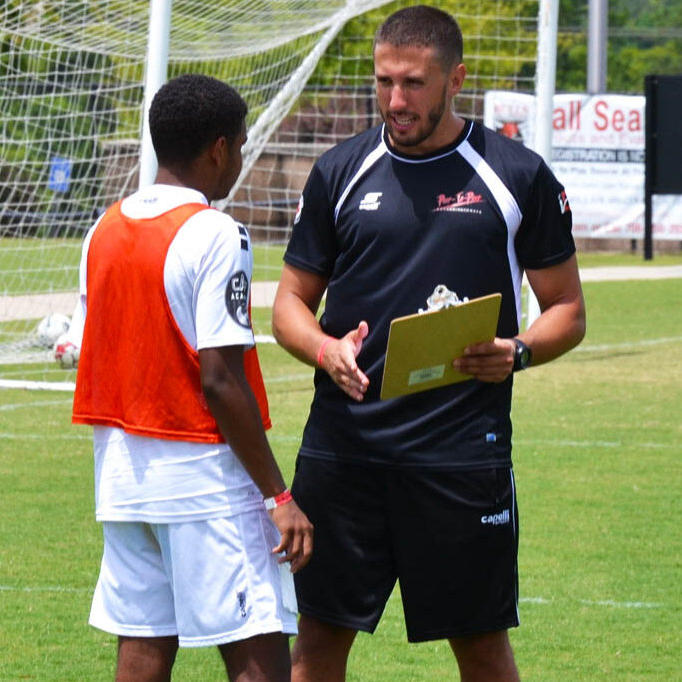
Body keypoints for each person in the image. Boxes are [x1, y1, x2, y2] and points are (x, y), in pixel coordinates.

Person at [271, 6, 586, 682]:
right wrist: (324, 350)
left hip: (457, 458)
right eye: (383, 81)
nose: (394, 100)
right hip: (343, 452)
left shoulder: (515, 174)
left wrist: (519, 351)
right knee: (317, 643)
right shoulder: (339, 171)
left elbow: (566, 309)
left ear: (455, 80)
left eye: (413, 83)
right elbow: (289, 305)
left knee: (479, 647)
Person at [72, 73, 313, 682]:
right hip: (201, 475)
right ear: (219, 149)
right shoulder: (215, 233)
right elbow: (220, 380)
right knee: (257, 646)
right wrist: (278, 496)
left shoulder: (103, 228)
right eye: (242, 141)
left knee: (145, 643)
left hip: (122, 476)